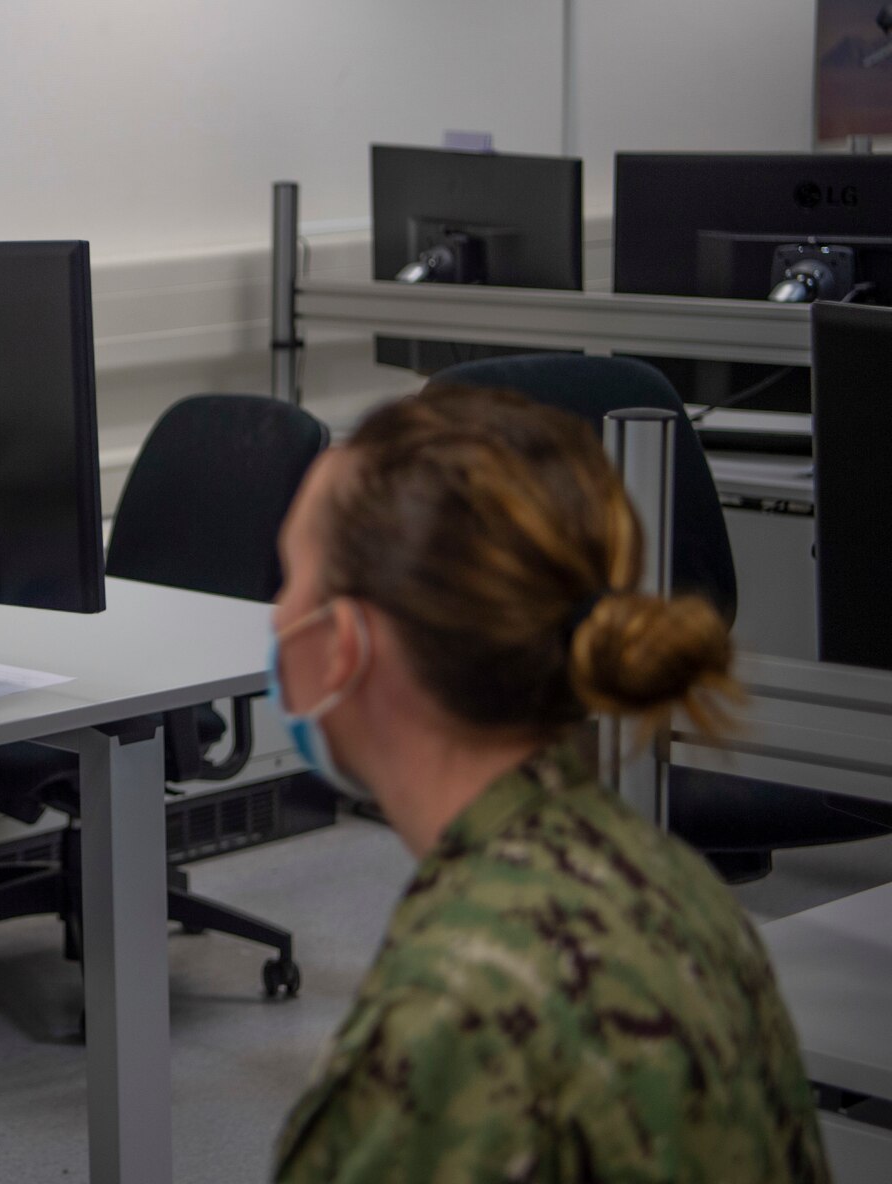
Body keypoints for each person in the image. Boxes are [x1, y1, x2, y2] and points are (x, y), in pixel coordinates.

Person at [268, 386, 829, 1182]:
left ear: (346, 647)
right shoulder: (675, 884)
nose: (275, 614)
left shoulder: (449, 1015)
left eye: (290, 577)